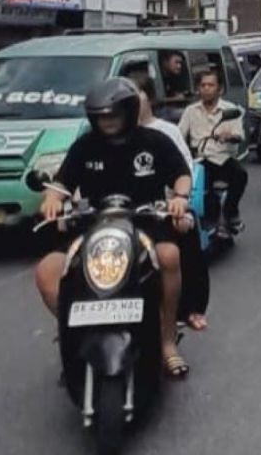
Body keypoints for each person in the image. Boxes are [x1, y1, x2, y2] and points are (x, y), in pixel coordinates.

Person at [33, 78, 195, 378]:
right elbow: (61, 183)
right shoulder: (85, 145)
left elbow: (181, 175)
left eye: (113, 114)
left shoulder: (154, 141)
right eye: (100, 116)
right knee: (47, 271)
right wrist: (52, 199)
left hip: (145, 221)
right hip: (95, 226)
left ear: (129, 112)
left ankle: (167, 341)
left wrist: (180, 198)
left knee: (170, 255)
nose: (107, 121)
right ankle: (77, 333)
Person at [128, 74, 209, 332]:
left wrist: (178, 202)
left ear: (148, 98)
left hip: (161, 209)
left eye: (136, 94)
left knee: (185, 232)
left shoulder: (166, 133)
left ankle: (191, 308)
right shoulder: (103, 137)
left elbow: (185, 172)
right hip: (119, 213)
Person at [179, 70, 247, 235]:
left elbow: (239, 136)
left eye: (211, 85)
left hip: (223, 158)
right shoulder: (190, 111)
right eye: (203, 85)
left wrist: (229, 136)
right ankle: (210, 222)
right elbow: (179, 135)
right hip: (201, 160)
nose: (206, 89)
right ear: (198, 89)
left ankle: (231, 212)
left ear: (220, 89)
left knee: (240, 175)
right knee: (202, 186)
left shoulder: (230, 110)